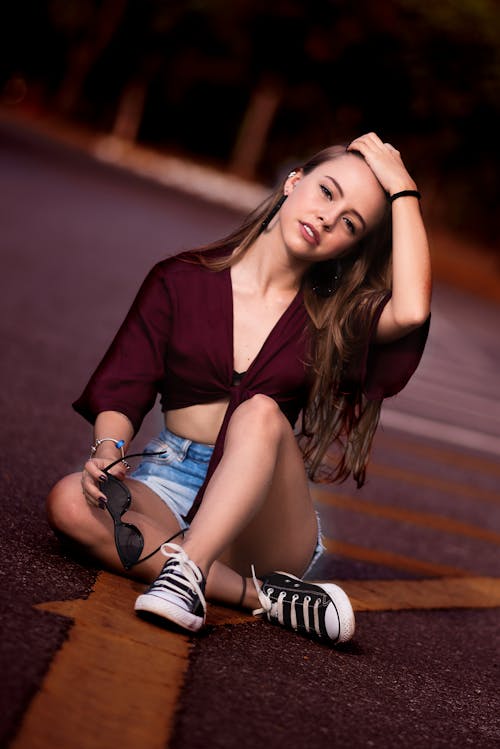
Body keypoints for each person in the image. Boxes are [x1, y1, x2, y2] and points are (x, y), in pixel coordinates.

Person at [46, 132, 431, 644]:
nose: (326, 218)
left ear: (351, 246)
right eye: (327, 192)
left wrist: (403, 189)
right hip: (168, 479)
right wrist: (110, 450)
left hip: (265, 514)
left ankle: (188, 574)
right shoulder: (179, 279)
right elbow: (123, 386)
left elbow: (410, 310)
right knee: (70, 502)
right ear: (294, 183)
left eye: (350, 224)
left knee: (261, 412)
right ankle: (270, 598)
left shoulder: (335, 317)